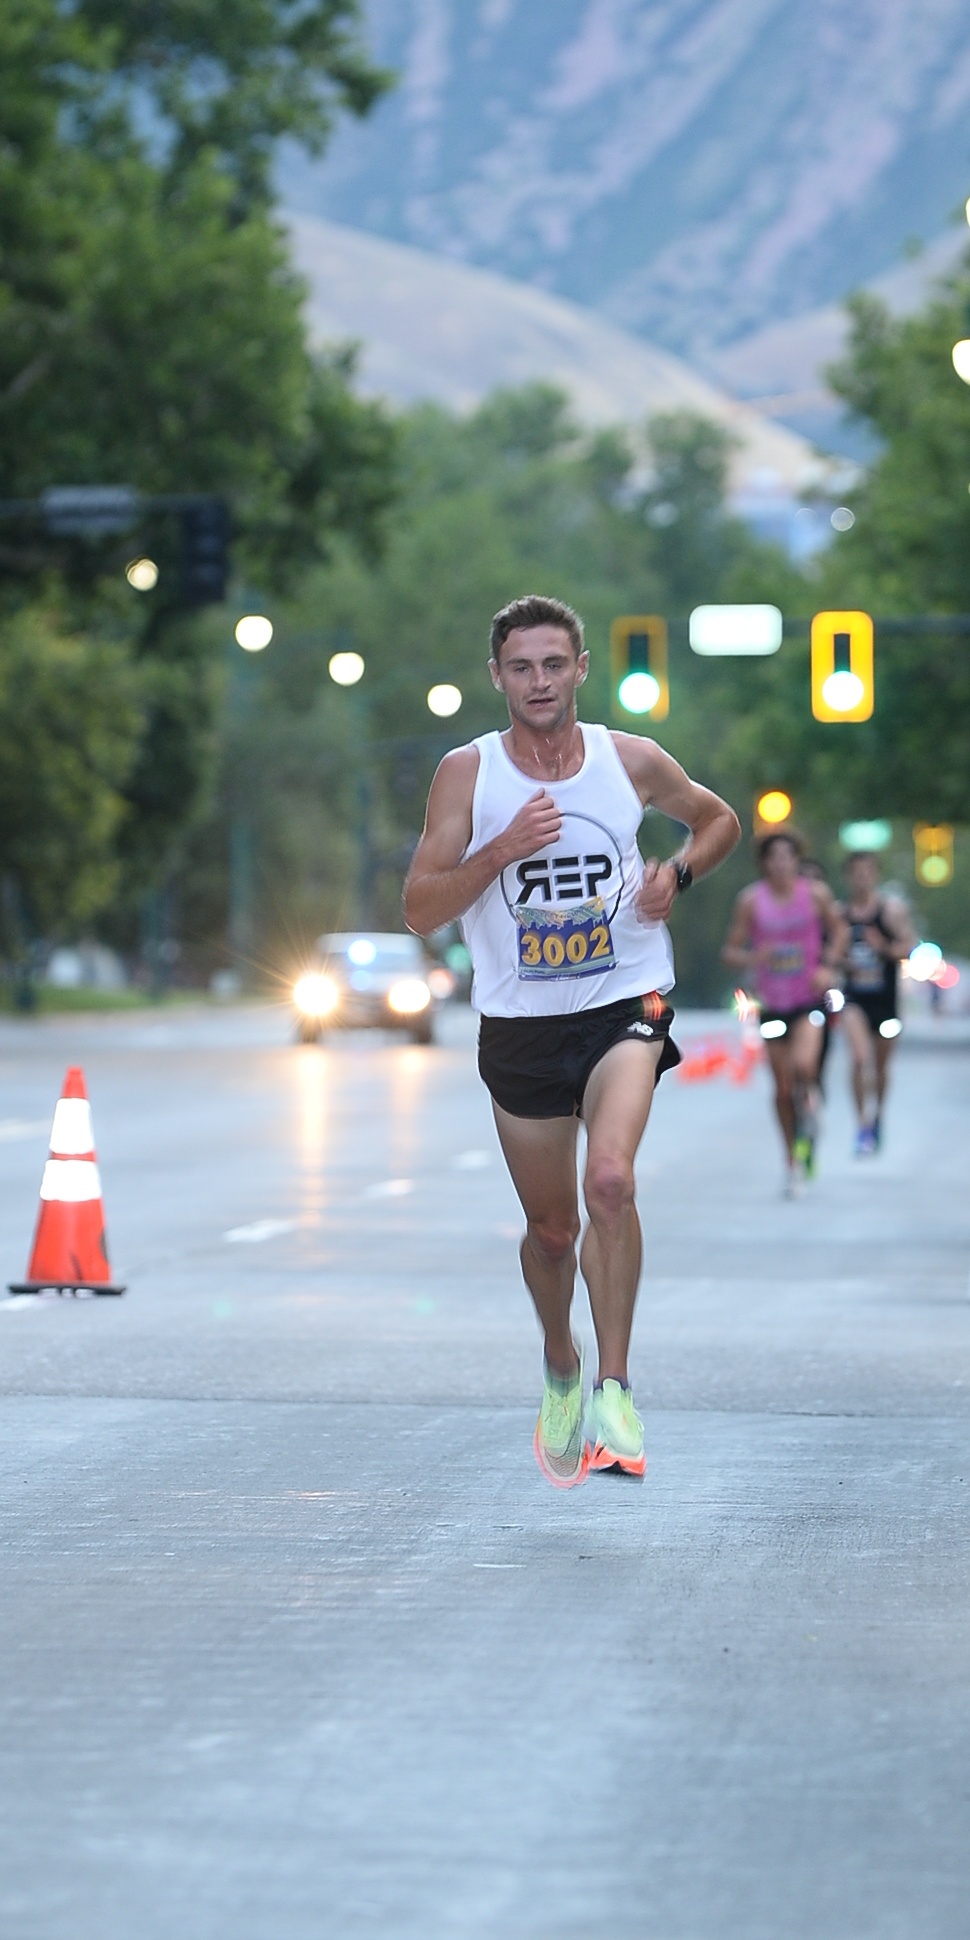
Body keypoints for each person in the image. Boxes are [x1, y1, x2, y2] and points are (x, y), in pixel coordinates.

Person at [403, 594, 740, 1487]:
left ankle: (615, 1390)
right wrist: (500, 849)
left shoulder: (629, 760)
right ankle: (561, 1360)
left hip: (624, 999)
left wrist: (678, 874)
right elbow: (420, 908)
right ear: (497, 677)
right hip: (520, 1024)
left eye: (554, 664)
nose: (540, 682)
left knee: (612, 1182)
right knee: (552, 1232)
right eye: (522, 667)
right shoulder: (467, 775)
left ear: (582, 668)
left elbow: (719, 820)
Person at [720, 831, 845, 1194]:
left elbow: (839, 932)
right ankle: (792, 1159)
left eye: (787, 856)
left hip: (808, 997)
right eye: (773, 857)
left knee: (805, 1066)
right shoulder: (751, 901)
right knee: (782, 1088)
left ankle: (813, 1105)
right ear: (764, 863)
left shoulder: (815, 895)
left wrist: (827, 966)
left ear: (796, 860)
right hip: (772, 1002)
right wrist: (754, 957)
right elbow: (730, 951)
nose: (780, 863)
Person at [836, 850, 914, 1154]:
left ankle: (878, 1114)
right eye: (856, 873)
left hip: (885, 999)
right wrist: (843, 961)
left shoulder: (890, 912)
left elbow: (909, 948)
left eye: (867, 872)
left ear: (876, 875)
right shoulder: (839, 914)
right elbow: (829, 953)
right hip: (854, 998)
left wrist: (882, 948)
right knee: (858, 1058)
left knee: (880, 1066)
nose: (862, 878)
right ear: (848, 877)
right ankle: (862, 1124)